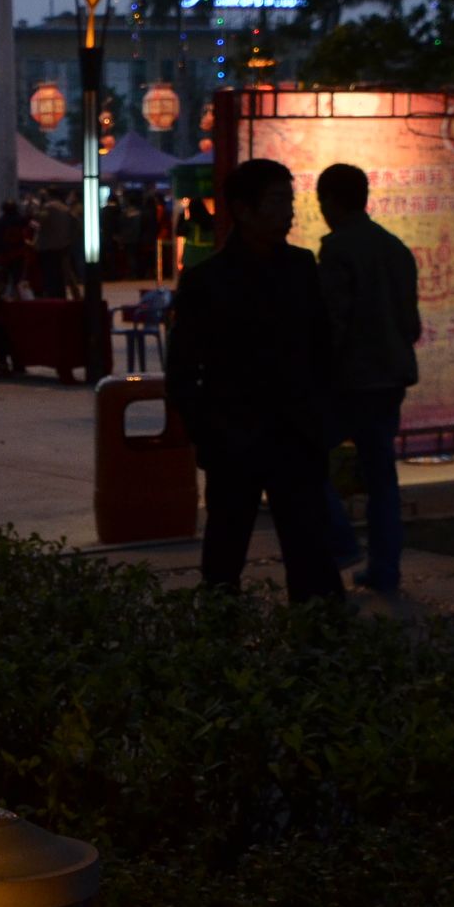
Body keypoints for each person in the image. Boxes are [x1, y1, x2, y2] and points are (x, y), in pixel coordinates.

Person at [165, 159, 345, 603]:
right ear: (244, 210)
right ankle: (221, 644)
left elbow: (322, 350)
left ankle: (321, 647)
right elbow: (182, 369)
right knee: (224, 557)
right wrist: (207, 432)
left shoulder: (302, 267)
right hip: (234, 441)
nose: (290, 211)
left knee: (310, 557)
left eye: (291, 200)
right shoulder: (207, 281)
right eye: (279, 201)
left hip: (296, 437)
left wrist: (321, 420)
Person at [312, 163, 422, 595]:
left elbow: (332, 324)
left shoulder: (339, 250)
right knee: (382, 478)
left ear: (331, 201)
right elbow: (410, 323)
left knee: (305, 457)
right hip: (390, 379)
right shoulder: (394, 248)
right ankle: (385, 567)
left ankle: (342, 543)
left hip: (351, 380)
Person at [32, 189, 77, 298]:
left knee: (49, 274)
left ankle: (51, 295)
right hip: (63, 245)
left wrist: (37, 206)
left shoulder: (49, 207)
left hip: (47, 246)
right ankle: (62, 294)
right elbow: (75, 225)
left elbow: (38, 217)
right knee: (61, 274)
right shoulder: (66, 209)